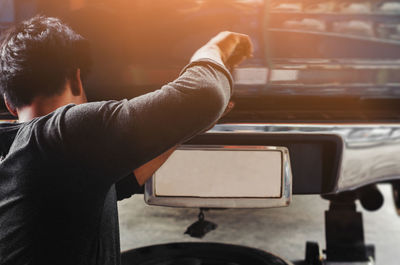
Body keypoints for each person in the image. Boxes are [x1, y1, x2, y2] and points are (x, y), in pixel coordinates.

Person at [0, 15, 253, 265]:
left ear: (10, 104)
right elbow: (204, 94)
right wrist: (215, 47)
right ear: (77, 80)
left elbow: (119, 182)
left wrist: (184, 127)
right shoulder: (62, 135)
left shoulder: (19, 154)